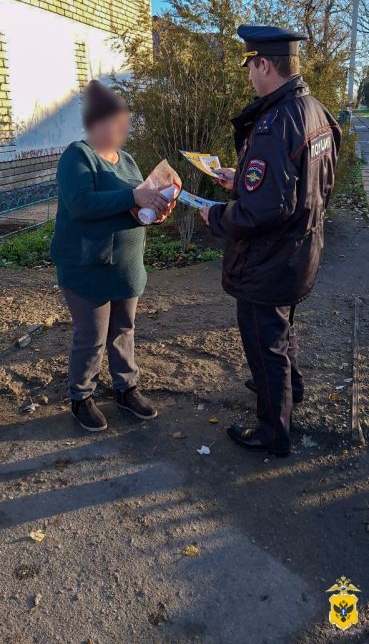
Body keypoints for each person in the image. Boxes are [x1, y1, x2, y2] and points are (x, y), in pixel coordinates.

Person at [199, 25, 341, 457]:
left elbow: (264, 209)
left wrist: (216, 215)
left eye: (250, 66)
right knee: (282, 329)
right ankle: (289, 388)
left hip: (268, 261)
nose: (248, 77)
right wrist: (240, 179)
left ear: (265, 64)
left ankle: (273, 432)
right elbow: (308, 186)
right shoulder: (316, 111)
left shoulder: (274, 124)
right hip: (302, 250)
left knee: (265, 343)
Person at [51, 79, 174, 432]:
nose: (120, 130)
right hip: (86, 267)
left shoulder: (128, 159)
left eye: (124, 123)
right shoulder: (78, 156)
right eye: (113, 123)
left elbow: (133, 202)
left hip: (126, 267)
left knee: (124, 330)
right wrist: (134, 198)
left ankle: (126, 388)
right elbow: (81, 205)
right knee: (91, 335)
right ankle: (81, 396)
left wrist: (151, 208)